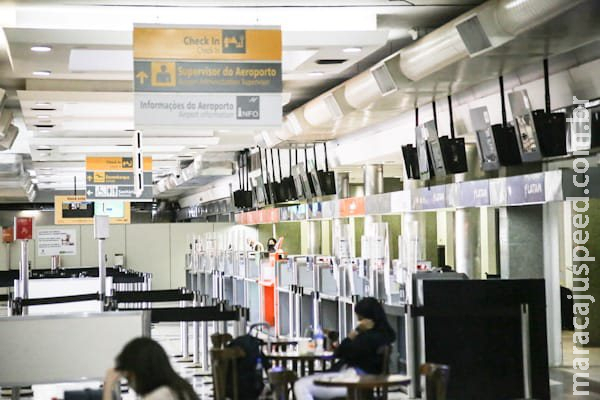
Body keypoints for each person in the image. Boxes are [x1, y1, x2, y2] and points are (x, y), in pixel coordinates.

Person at [293, 297, 396, 400]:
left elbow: (342, 352)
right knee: (305, 383)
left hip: (353, 379)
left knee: (301, 385)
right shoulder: (383, 335)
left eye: (360, 319)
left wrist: (353, 335)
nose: (359, 323)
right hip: (352, 376)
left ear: (368, 318)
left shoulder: (369, 338)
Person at [102, 337, 199, 400]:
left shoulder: (159, 396)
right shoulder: (180, 387)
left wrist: (108, 386)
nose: (129, 385)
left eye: (129, 378)